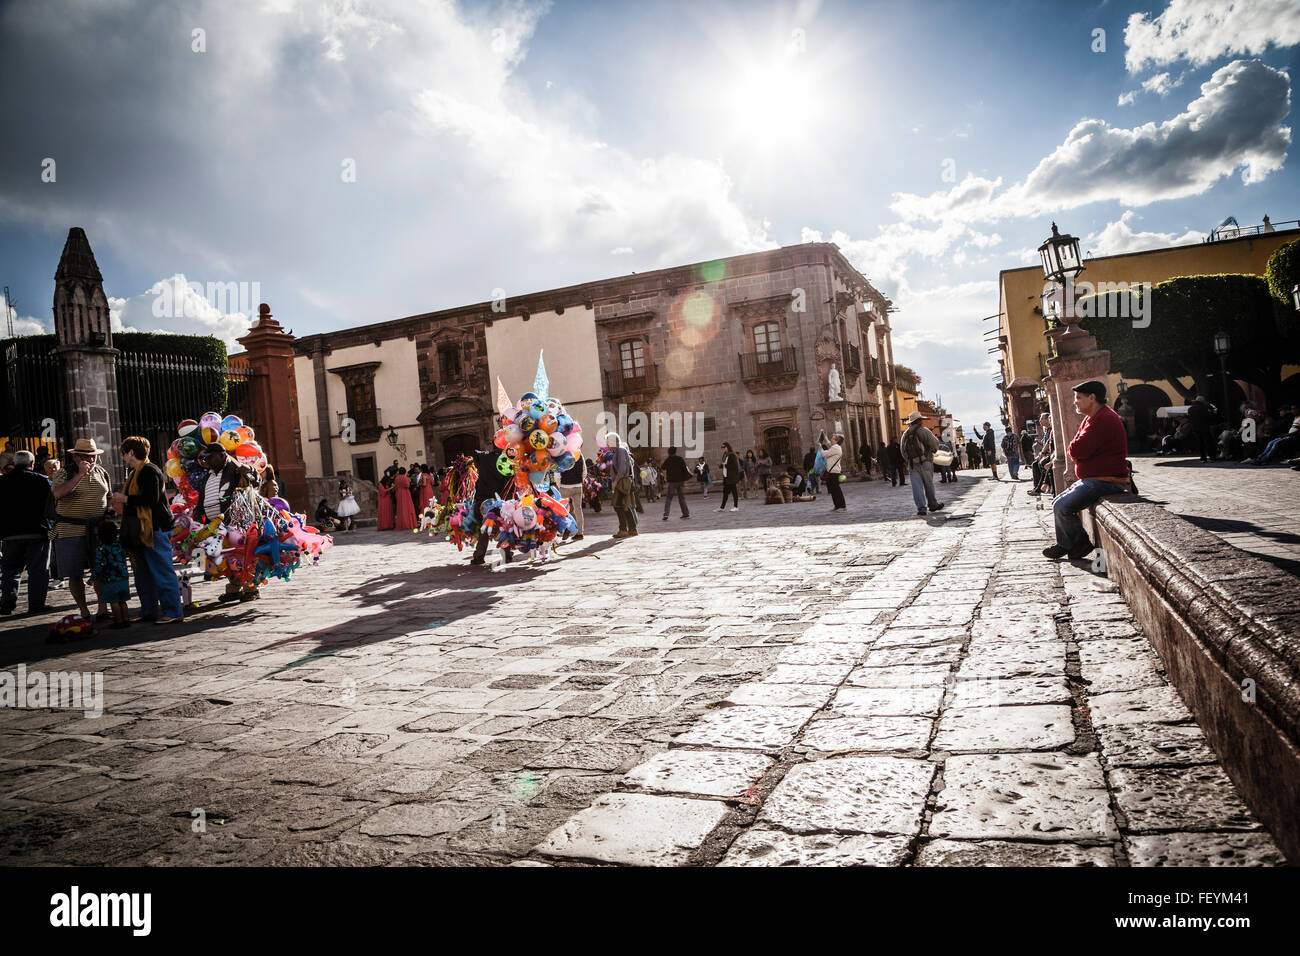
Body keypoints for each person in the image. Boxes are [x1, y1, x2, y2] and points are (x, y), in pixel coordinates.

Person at [1044, 381, 1131, 561]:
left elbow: (1076, 450)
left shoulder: (1102, 419)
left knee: (1063, 506)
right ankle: (1068, 544)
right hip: (1095, 479)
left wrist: (1076, 453)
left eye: (1078, 398)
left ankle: (1078, 544)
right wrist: (1076, 453)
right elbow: (1075, 447)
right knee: (1057, 502)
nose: (1075, 402)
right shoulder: (1092, 417)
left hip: (1106, 481)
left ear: (1092, 398)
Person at [114, 436, 182, 625]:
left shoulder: (149, 471)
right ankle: (148, 611)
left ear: (131, 453)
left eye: (124, 454)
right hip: (141, 531)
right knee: (143, 574)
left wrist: (125, 499)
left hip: (155, 528)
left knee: (162, 571)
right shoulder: (136, 472)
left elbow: (150, 500)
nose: (123, 458)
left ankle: (173, 611)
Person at [50, 438, 112, 626]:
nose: (90, 460)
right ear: (76, 457)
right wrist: (80, 475)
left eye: (93, 456)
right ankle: (83, 610)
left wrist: (109, 510)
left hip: (96, 530)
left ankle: (103, 608)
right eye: (85, 456)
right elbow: (57, 494)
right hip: (69, 530)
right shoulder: (64, 473)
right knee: (74, 573)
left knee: (100, 571)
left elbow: (107, 496)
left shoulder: (102, 472)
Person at [195, 442, 261, 603]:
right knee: (225, 557)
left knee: (242, 556)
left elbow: (255, 481)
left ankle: (251, 588)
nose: (207, 461)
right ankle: (234, 587)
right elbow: (202, 498)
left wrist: (250, 470)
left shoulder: (235, 469)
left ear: (222, 455)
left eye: (210, 457)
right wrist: (198, 511)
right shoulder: (207, 477)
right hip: (214, 525)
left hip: (235, 522)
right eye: (205, 458)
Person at [0, 450, 53, 616]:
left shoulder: (2, 481)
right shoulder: (42, 481)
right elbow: (52, 505)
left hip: (10, 534)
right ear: (32, 464)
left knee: (10, 569)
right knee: (38, 570)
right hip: (37, 531)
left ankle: (7, 602)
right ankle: (36, 604)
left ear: (14, 464)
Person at [469, 448, 516, 565]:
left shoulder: (483, 458)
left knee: (484, 527)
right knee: (504, 526)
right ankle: (507, 554)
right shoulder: (507, 460)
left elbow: (474, 454)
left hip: (485, 500)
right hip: (502, 499)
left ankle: (479, 556)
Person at [88, 520, 131, 630]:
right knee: (123, 601)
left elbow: (99, 566)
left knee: (114, 602)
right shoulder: (120, 546)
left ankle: (118, 621)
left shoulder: (101, 549)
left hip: (110, 580)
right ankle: (126, 620)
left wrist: (92, 578)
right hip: (123, 578)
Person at [900, 411, 943, 516]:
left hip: (912, 464)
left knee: (916, 486)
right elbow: (935, 444)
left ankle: (921, 508)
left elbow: (902, 450)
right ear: (919, 421)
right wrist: (931, 453)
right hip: (926, 461)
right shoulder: (924, 431)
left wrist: (910, 460)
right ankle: (932, 504)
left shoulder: (905, 434)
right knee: (928, 484)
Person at [608, 433, 638, 539]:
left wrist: (615, 482)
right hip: (623, 480)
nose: (607, 444)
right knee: (624, 505)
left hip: (622, 481)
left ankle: (623, 529)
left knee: (618, 505)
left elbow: (622, 468)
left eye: (608, 441)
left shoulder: (620, 450)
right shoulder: (618, 451)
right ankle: (632, 528)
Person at [557, 453, 586, 541]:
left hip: (565, 486)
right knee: (578, 509)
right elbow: (584, 470)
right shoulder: (580, 454)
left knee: (562, 509)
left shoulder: (562, 454)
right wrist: (581, 481)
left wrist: (558, 486)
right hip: (578, 486)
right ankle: (580, 533)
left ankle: (567, 527)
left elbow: (557, 473)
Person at [660, 446, 691, 520]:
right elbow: (684, 469)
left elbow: (663, 467)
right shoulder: (680, 459)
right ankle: (685, 513)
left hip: (672, 482)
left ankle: (666, 514)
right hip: (680, 481)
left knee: (669, 498)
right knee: (681, 498)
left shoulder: (668, 460)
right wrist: (684, 479)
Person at [819, 431, 846, 512]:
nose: (831, 440)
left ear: (836, 441)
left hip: (833, 472)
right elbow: (828, 443)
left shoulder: (835, 448)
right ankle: (838, 505)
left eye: (832, 439)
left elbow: (824, 454)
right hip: (833, 471)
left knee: (836, 489)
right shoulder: (835, 447)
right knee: (834, 489)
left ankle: (841, 505)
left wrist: (820, 446)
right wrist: (824, 435)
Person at [1186, 395, 1215, 463]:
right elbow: (1208, 417)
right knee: (1208, 442)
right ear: (1202, 401)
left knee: (1200, 443)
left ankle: (1203, 458)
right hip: (1204, 427)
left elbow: (1189, 419)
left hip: (1195, 428)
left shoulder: (1190, 409)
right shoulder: (1204, 408)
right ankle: (1211, 457)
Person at [717, 442, 742, 512]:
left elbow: (734, 466)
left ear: (728, 447)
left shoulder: (732, 455)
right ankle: (722, 507)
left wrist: (725, 465)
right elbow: (724, 464)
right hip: (726, 476)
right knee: (725, 492)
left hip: (731, 477)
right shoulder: (725, 455)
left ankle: (736, 506)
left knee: (734, 491)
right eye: (722, 448)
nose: (723, 449)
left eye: (724, 447)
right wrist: (720, 465)